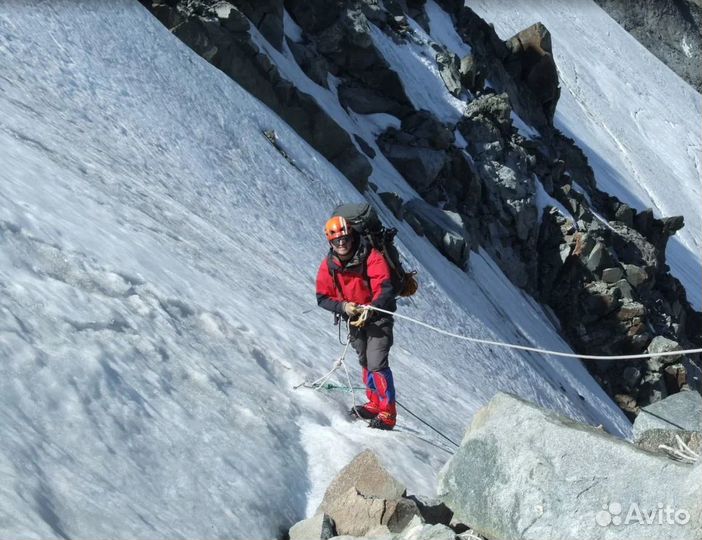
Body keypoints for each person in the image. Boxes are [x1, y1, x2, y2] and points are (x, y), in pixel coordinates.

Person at [315, 215, 398, 430]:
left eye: (345, 239)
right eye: (337, 241)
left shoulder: (371, 256)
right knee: (364, 360)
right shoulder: (329, 265)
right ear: (330, 242)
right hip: (354, 320)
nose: (342, 244)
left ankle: (388, 413)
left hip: (378, 317)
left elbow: (384, 286)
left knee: (376, 361)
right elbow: (322, 297)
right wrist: (344, 307)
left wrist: (371, 309)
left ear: (351, 236)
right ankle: (375, 402)